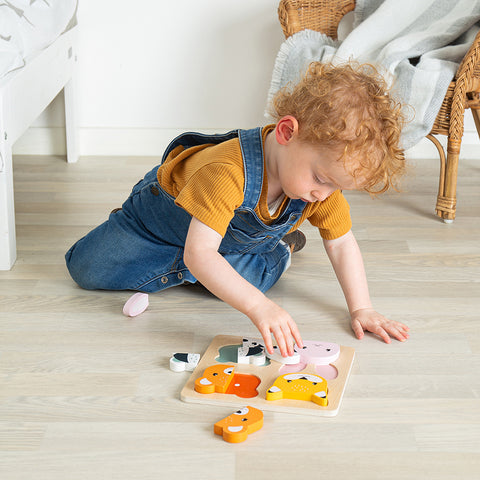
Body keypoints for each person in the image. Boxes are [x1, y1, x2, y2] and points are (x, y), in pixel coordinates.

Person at [65, 62, 410, 357]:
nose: (324, 195)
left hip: (221, 244)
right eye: (321, 178)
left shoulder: (317, 190)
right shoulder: (226, 171)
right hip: (155, 226)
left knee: (247, 277)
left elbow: (341, 242)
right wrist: (258, 307)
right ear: (287, 132)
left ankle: (277, 250)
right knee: (86, 268)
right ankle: (193, 266)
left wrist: (362, 308)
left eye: (335, 186)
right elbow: (201, 255)